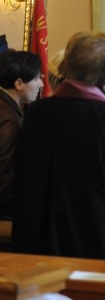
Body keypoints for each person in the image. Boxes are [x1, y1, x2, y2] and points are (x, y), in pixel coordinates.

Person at [12, 32, 105, 261]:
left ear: (67, 67)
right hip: (98, 252)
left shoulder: (36, 115)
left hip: (38, 251)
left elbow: (21, 181)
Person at [0, 50, 43, 219]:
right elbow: (4, 178)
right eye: (37, 78)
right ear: (19, 84)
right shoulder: (9, 119)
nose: (41, 84)